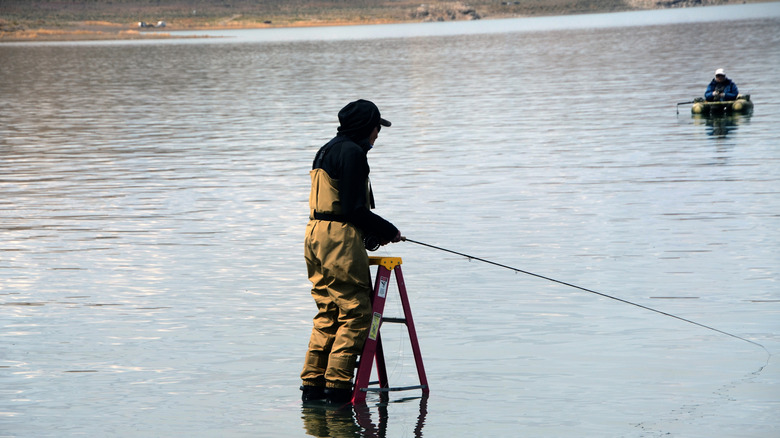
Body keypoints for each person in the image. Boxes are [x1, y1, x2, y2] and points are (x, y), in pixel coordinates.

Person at [300, 99, 402, 404]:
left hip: (315, 233)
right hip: (338, 238)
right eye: (376, 128)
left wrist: (371, 232)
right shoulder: (354, 153)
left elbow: (342, 206)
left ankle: (312, 385)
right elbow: (355, 210)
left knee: (328, 310)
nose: (377, 134)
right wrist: (389, 231)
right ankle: (339, 390)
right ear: (366, 127)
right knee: (356, 312)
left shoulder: (327, 149)